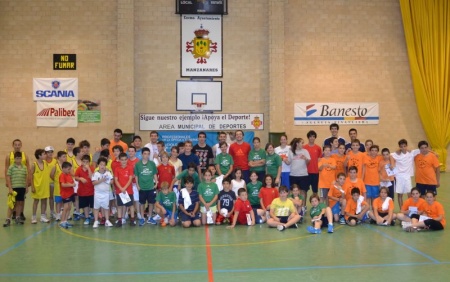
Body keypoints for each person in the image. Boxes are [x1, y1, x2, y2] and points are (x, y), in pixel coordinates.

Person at [391, 139, 419, 206]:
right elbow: (390, 155)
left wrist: (434, 153)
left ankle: (410, 209)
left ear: (407, 146)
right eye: (401, 146)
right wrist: (392, 163)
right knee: (400, 194)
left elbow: (422, 149)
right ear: (399, 147)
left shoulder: (411, 153)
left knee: (409, 194)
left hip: (407, 176)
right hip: (399, 176)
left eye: (404, 146)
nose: (403, 148)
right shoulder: (396, 154)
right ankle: (402, 210)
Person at [4, 152, 29, 227]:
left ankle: (17, 217)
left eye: (20, 158)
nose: (18, 160)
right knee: (12, 204)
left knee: (19, 203)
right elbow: (8, 177)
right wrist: (10, 188)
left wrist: (26, 187)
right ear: (14, 159)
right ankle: (8, 219)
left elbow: (26, 177)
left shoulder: (24, 167)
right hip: (14, 188)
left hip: (22, 187)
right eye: (17, 158)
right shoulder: (11, 167)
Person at [285, 138, 310, 211]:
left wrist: (305, 159)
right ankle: (292, 206)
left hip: (303, 175)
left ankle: (303, 207)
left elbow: (308, 163)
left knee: (303, 191)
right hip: (293, 174)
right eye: (301, 143)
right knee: (292, 191)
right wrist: (285, 160)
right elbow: (289, 162)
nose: (303, 144)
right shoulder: (291, 151)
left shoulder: (305, 151)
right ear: (297, 144)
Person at [135, 147, 158, 226]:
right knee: (142, 203)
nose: (146, 155)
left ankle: (150, 217)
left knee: (151, 203)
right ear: (142, 154)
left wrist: (156, 183)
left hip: (151, 187)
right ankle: (142, 218)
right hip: (142, 188)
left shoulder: (152, 163)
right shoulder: (138, 164)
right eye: (145, 154)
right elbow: (136, 176)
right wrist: (137, 185)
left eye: (148, 154)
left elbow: (154, 174)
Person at [91, 157, 114, 228]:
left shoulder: (108, 173)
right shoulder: (95, 174)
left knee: (106, 208)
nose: (102, 166)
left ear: (106, 166)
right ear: (98, 165)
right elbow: (94, 183)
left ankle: (107, 220)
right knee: (96, 207)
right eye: (101, 165)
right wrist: (102, 180)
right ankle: (96, 221)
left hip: (106, 193)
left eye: (104, 165)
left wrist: (107, 181)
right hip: (98, 194)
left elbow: (112, 181)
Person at [114, 153, 135, 227]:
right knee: (120, 206)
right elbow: (116, 180)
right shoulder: (117, 169)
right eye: (122, 160)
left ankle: (132, 220)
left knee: (130, 205)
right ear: (119, 160)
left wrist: (124, 188)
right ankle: (120, 220)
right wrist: (121, 188)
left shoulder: (130, 168)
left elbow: (130, 179)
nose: (124, 161)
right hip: (120, 191)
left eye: (125, 159)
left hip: (128, 191)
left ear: (127, 160)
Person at [30, 149, 51, 224]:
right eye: (44, 154)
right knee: (36, 201)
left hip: (44, 186)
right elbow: (31, 176)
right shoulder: (34, 165)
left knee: (44, 201)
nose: (45, 155)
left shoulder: (45, 163)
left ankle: (43, 216)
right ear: (39, 156)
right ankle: (34, 216)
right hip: (37, 186)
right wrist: (32, 186)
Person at [74, 155, 95, 225]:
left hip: (91, 191)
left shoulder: (91, 168)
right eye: (84, 162)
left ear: (89, 162)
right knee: (85, 206)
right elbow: (76, 177)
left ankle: (95, 217)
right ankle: (87, 217)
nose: (85, 163)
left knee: (93, 205)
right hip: (82, 192)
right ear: (81, 162)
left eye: (87, 162)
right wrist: (80, 179)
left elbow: (92, 177)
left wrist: (88, 169)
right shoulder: (78, 169)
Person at [50, 151, 67, 221]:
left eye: (65, 156)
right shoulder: (55, 166)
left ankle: (63, 213)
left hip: (65, 187)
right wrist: (56, 181)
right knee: (58, 201)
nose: (65, 158)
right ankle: (57, 214)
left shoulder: (66, 166)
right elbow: (51, 175)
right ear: (59, 158)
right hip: (58, 187)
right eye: (63, 157)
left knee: (64, 201)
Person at [304, 130, 322, 196]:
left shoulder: (318, 148)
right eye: (310, 136)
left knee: (315, 191)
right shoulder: (304, 148)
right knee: (304, 191)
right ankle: (304, 206)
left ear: (315, 138)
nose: (312, 138)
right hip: (306, 173)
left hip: (315, 172)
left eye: (313, 136)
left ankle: (316, 205)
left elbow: (320, 160)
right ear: (308, 137)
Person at [59, 161, 75, 228]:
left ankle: (65, 221)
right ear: (63, 168)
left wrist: (73, 184)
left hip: (71, 193)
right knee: (65, 208)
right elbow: (63, 185)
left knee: (69, 207)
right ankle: (62, 221)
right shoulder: (62, 175)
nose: (69, 171)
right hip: (65, 194)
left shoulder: (68, 175)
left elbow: (72, 182)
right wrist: (71, 185)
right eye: (68, 169)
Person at [44, 146, 57, 222]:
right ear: (45, 153)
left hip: (52, 182)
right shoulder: (43, 161)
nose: (50, 153)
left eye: (51, 152)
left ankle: (52, 212)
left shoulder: (55, 161)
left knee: (51, 197)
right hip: (44, 183)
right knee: (44, 198)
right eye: (48, 152)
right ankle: (44, 213)